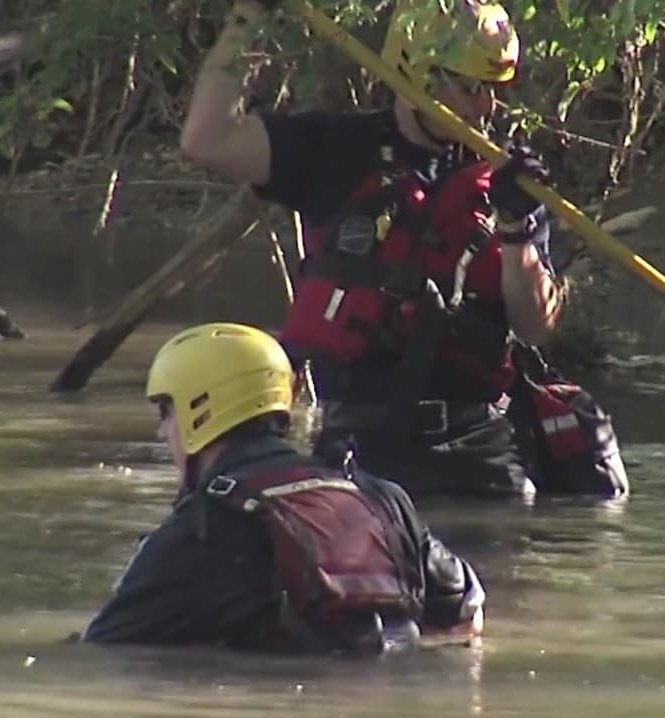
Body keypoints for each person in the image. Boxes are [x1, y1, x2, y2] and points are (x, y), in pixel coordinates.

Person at [178, 0, 564, 498]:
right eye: (470, 87)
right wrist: (248, 18)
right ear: (418, 74)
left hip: (475, 448)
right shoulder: (334, 150)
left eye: (494, 90)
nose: (486, 107)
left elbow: (535, 326)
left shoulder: (510, 180)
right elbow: (206, 142)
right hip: (357, 451)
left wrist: (518, 229)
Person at [80, 322, 486, 653]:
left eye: (164, 412)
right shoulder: (380, 497)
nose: (161, 430)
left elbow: (103, 653)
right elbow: (468, 616)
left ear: (196, 411)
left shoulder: (200, 530)